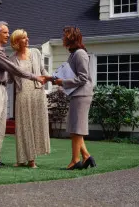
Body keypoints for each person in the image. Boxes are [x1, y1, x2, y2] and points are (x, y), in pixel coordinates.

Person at [0, 21, 47, 168]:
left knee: (0, 126)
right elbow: (13, 68)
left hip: (1, 88)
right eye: (5, 32)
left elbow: (10, 74)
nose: (7, 35)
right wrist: (34, 77)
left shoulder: (1, 51)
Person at [53, 26, 96, 170]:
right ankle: (86, 157)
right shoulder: (73, 54)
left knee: (77, 129)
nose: (63, 38)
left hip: (82, 94)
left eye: (65, 36)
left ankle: (75, 160)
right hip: (76, 94)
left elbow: (83, 78)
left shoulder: (80, 54)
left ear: (71, 37)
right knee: (73, 128)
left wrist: (63, 82)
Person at [9, 29, 50, 168]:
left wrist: (51, 78)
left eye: (27, 37)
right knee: (23, 126)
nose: (27, 40)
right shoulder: (12, 59)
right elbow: (9, 79)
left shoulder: (35, 52)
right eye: (24, 38)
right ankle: (22, 159)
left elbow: (42, 70)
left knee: (35, 125)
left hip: (37, 92)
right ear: (16, 41)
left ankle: (32, 160)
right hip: (22, 94)